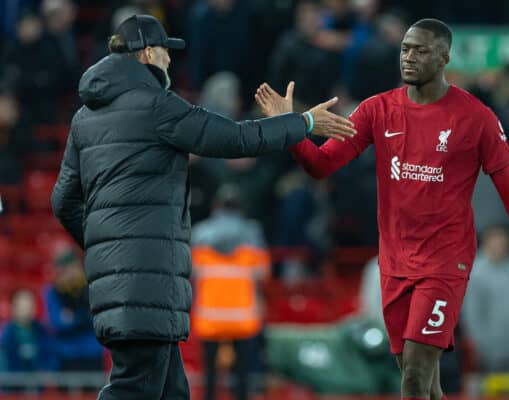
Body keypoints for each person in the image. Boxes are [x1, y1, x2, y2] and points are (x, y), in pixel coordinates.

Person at [50, 14, 355, 400]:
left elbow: (62, 200)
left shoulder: (84, 119)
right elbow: (236, 139)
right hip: (148, 283)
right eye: (164, 52)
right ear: (146, 53)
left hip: (124, 286)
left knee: (171, 391)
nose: (169, 60)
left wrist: (106, 249)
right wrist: (304, 122)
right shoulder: (158, 106)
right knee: (133, 389)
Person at [255, 18, 509, 400]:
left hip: (445, 263)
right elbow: (320, 166)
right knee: (425, 383)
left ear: (444, 58)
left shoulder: (475, 118)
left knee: (415, 375)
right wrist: (290, 126)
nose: (409, 57)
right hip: (395, 263)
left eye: (420, 50)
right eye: (405, 49)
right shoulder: (376, 111)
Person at [190, 184, 270, 400]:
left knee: (209, 375)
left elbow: (193, 272)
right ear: (241, 207)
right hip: (243, 316)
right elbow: (262, 273)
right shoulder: (252, 233)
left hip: (209, 315)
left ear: (216, 205)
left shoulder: (200, 233)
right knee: (242, 375)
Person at [461, 224, 509, 373]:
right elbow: (472, 314)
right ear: (485, 242)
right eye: (495, 240)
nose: (500, 245)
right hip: (486, 350)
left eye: (504, 241)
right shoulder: (475, 272)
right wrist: (479, 345)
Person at [43, 247, 104, 374]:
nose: (69, 273)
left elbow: (98, 319)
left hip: (92, 353)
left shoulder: (92, 288)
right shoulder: (53, 292)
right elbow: (58, 324)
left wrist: (74, 318)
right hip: (66, 355)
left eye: (73, 267)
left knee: (94, 393)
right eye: (64, 269)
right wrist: (84, 316)